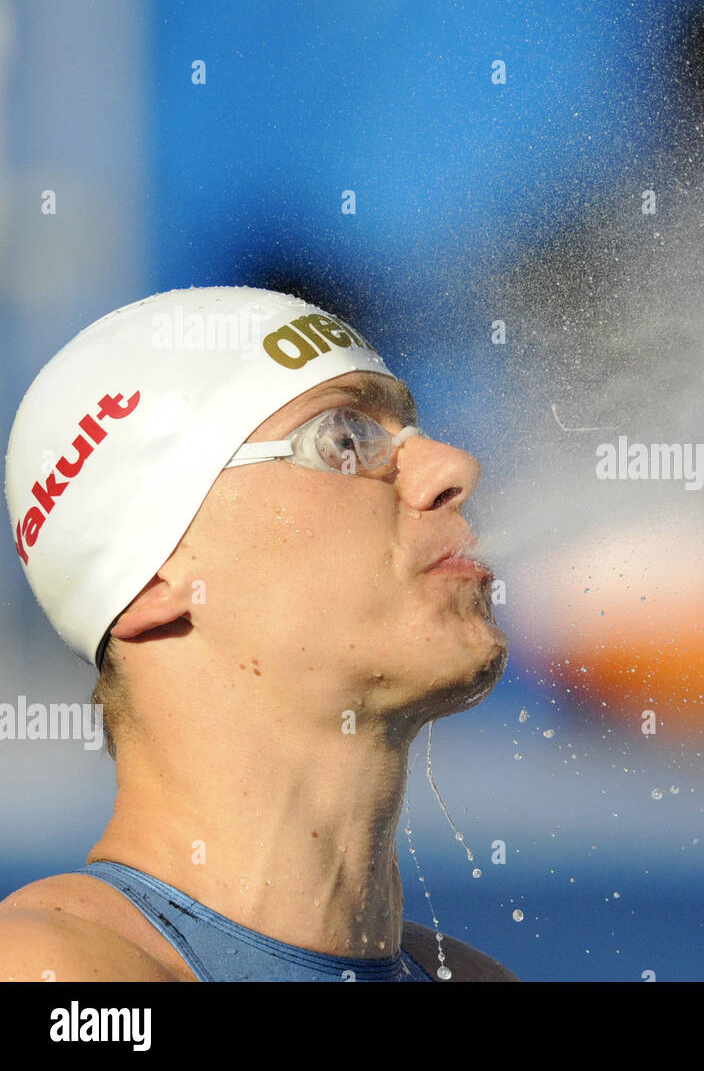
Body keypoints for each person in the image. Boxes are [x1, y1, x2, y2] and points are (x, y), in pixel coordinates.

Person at [0, 287, 516, 981]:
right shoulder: (49, 970)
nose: (453, 468)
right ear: (153, 577)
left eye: (411, 435)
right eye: (342, 439)